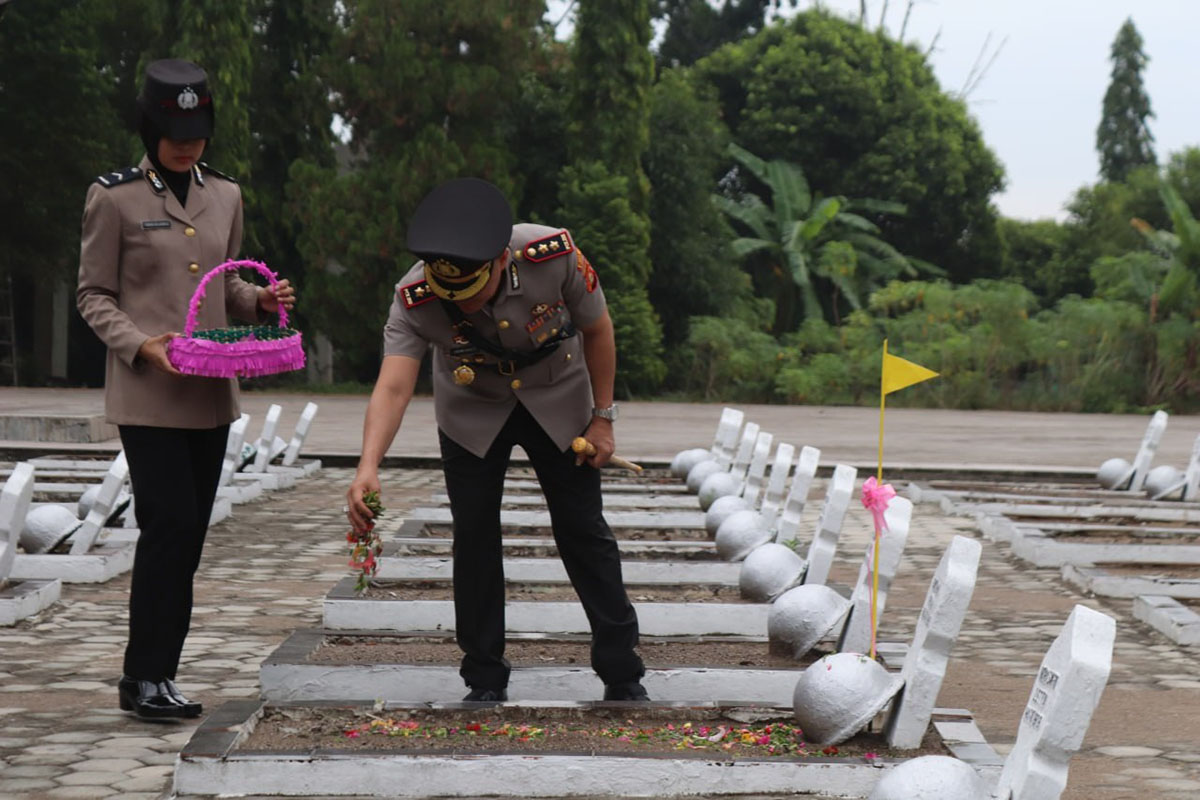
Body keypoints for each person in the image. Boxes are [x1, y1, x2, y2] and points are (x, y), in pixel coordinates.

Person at [346, 177, 648, 702]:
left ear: (500, 262)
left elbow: (598, 329)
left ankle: (621, 667)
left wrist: (603, 418)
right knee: (475, 536)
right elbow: (393, 387)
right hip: (472, 410)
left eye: (471, 291)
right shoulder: (414, 296)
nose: (461, 305)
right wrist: (367, 466)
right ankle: (483, 674)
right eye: (451, 297)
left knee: (582, 529)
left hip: (557, 396)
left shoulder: (551, 254)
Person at [77, 58, 295, 719]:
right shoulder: (114, 198)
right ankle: (141, 679)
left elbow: (223, 283)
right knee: (167, 526)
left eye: (197, 129)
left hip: (210, 395)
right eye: (174, 128)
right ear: (150, 125)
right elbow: (93, 293)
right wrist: (141, 344)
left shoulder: (225, 195)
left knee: (190, 536)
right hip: (149, 394)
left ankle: (162, 674)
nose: (187, 142)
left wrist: (260, 301)